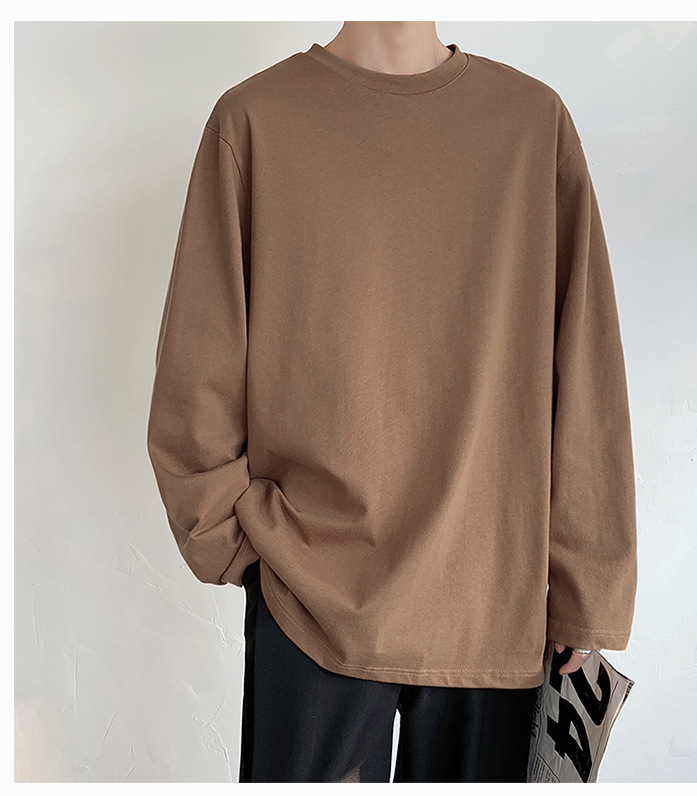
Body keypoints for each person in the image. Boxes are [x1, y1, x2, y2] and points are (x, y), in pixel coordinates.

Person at [146, 21, 638, 783]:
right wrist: (240, 552)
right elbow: (196, 372)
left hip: (492, 606)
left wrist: (587, 587)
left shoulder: (533, 125)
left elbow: (585, 365)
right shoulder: (253, 121)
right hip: (310, 599)